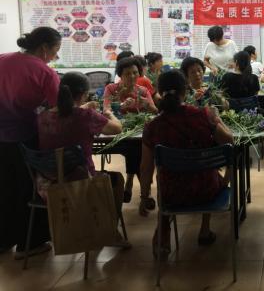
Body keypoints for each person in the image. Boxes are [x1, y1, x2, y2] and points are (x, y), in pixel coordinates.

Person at [140, 70, 234, 259]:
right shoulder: (202, 116)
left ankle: (163, 229)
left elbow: (146, 167)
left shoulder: (152, 126)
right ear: (186, 90)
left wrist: (144, 196)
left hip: (171, 194)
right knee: (207, 171)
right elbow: (229, 141)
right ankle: (205, 230)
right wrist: (218, 119)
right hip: (206, 190)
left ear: (159, 92)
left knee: (165, 181)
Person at [37, 73, 130, 248]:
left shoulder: (43, 117)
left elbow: (66, 116)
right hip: (81, 185)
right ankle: (109, 231)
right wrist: (109, 113)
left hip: (47, 186)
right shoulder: (85, 115)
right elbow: (117, 129)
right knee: (117, 179)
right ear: (83, 94)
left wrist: (84, 108)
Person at [0, 27, 61, 258]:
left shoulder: (3, 58)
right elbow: (58, 110)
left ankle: (3, 240)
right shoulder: (45, 72)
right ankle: (30, 243)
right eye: (55, 50)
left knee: (5, 188)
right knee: (30, 188)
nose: (55, 56)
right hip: (25, 137)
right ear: (44, 48)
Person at [103, 57, 158, 202]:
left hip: (138, 133)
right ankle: (145, 193)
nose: (132, 76)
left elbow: (155, 112)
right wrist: (120, 105)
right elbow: (106, 110)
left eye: (135, 73)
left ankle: (129, 183)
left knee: (136, 147)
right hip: (118, 134)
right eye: (127, 73)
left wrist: (147, 105)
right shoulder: (111, 89)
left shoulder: (142, 91)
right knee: (136, 148)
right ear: (120, 75)